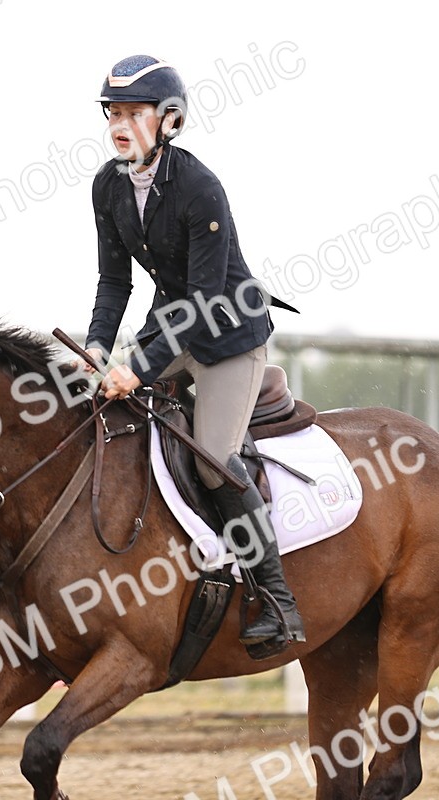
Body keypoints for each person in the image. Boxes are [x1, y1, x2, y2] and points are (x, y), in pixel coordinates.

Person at [82, 54, 305, 651]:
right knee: (98, 410)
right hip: (174, 324)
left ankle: (279, 602)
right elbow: (114, 284)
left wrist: (140, 366)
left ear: (169, 121)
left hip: (228, 333)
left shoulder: (200, 187)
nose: (120, 125)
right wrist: (98, 350)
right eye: (115, 114)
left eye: (134, 113)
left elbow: (205, 303)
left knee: (211, 459)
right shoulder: (108, 185)